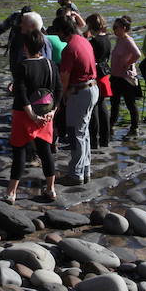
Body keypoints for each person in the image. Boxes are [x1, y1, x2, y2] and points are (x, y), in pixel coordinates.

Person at [4, 29, 60, 204]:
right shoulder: (51, 64)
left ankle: (11, 192)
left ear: (25, 47)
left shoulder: (23, 66)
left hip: (24, 115)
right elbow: (58, 90)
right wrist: (52, 111)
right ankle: (50, 189)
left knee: (19, 151)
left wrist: (31, 115)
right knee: (45, 151)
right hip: (46, 113)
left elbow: (21, 94)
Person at [55, 15, 98, 185]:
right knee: (83, 131)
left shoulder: (69, 48)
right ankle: (85, 169)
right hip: (92, 88)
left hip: (79, 91)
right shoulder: (83, 40)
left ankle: (75, 174)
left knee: (76, 133)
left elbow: (64, 77)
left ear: (62, 31)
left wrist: (61, 98)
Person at [110, 16, 143, 139]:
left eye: (116, 27)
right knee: (115, 103)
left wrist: (128, 63)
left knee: (130, 103)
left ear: (124, 28)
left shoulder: (128, 40)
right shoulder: (119, 39)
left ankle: (134, 128)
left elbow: (137, 54)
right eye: (113, 27)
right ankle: (111, 125)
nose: (114, 30)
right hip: (116, 77)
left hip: (126, 78)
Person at [85, 13, 112, 149]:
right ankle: (105, 139)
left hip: (96, 76)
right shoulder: (107, 39)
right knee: (102, 107)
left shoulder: (94, 42)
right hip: (105, 74)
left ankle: (94, 140)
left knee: (94, 108)